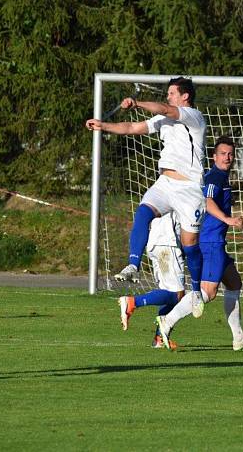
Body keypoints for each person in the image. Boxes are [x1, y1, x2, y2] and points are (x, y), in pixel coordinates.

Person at [86, 77, 207, 317]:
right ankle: (133, 264)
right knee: (143, 211)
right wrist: (103, 126)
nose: (168, 96)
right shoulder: (163, 119)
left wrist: (137, 102)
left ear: (185, 97)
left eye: (172, 93)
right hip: (166, 182)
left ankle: (195, 292)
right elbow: (131, 128)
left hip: (189, 188)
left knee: (190, 246)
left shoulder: (193, 116)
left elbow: (165, 108)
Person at [156, 136, 243, 351]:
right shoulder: (214, 177)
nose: (227, 157)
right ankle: (167, 322)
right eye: (223, 153)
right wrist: (228, 219)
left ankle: (238, 337)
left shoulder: (222, 176)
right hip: (211, 241)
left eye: (230, 154)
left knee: (233, 283)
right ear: (214, 156)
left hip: (215, 241)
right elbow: (207, 201)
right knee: (207, 292)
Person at [118, 212, 185, 349]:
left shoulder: (159, 194)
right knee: (177, 295)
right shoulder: (177, 192)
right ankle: (132, 302)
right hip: (166, 245)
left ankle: (159, 338)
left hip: (159, 244)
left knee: (169, 292)